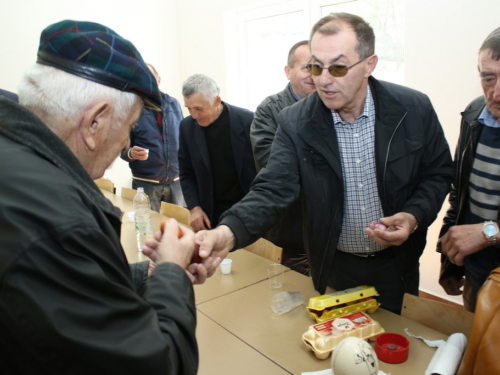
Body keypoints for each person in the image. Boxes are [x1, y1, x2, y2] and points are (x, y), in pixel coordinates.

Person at [196, 12, 453, 314]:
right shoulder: (296, 122)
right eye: (316, 66)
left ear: (369, 64)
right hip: (333, 267)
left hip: (397, 265)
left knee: (394, 349)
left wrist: (413, 215)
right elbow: (271, 189)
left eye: (339, 67)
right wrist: (227, 232)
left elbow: (437, 173)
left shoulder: (413, 109)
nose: (323, 80)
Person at [0, 20, 207, 374]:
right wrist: (171, 271)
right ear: (94, 123)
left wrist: (151, 274)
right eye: (128, 127)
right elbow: (160, 363)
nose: (127, 143)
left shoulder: (17, 165)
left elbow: (65, 286)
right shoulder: (58, 220)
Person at [438, 26, 500, 313]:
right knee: (475, 356)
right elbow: (459, 193)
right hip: (477, 273)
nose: (496, 93)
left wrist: (489, 232)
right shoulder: (474, 115)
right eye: (489, 78)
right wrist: (450, 261)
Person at [250, 40, 315, 275]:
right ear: (288, 72)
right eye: (308, 67)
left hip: (331, 237)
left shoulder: (334, 105)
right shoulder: (270, 110)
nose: (314, 75)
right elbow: (273, 168)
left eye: (319, 67)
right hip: (290, 234)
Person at [178, 74, 256, 232]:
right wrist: (194, 208)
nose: (194, 115)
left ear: (216, 101)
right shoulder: (187, 127)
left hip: (248, 210)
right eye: (189, 109)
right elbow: (186, 173)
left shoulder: (248, 121)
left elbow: (264, 169)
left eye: (198, 109)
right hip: (210, 215)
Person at [120, 64, 184, 211]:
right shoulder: (131, 108)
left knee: (177, 228)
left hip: (176, 182)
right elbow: (120, 149)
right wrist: (131, 153)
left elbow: (184, 140)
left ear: (159, 79)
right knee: (148, 229)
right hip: (146, 184)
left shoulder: (174, 104)